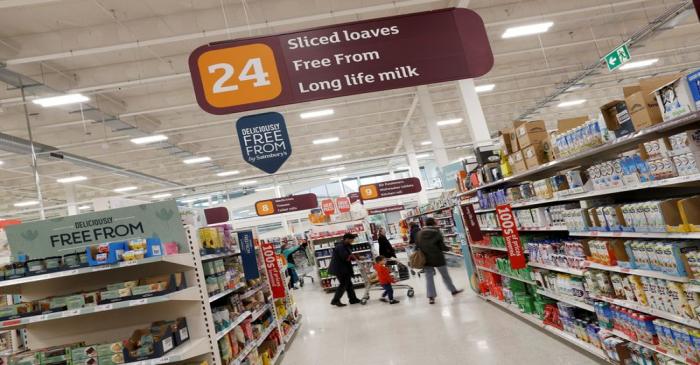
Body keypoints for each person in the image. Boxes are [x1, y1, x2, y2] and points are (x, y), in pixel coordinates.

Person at [416, 217, 463, 304]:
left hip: (425, 259)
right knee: (445, 276)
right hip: (438, 257)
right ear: (434, 223)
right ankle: (453, 290)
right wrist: (448, 249)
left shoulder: (419, 233)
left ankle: (431, 297)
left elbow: (417, 246)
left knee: (429, 278)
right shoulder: (436, 232)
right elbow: (441, 246)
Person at [328, 233, 361, 307]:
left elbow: (348, 256)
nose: (352, 241)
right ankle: (335, 300)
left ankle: (353, 299)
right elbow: (345, 257)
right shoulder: (340, 246)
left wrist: (355, 257)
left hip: (343, 268)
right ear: (347, 239)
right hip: (340, 269)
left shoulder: (345, 245)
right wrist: (355, 257)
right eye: (351, 239)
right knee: (343, 285)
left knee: (348, 284)